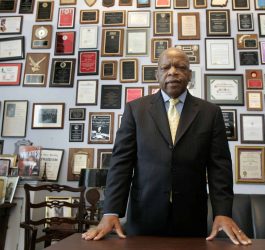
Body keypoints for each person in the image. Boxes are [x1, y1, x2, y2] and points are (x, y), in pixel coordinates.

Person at [82, 48, 251, 245]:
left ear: (189, 74)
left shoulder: (210, 113)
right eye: (165, 67)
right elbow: (121, 164)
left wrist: (222, 212)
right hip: (144, 216)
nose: (172, 72)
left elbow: (219, 167)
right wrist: (111, 211)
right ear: (157, 74)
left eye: (180, 67)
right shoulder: (136, 110)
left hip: (191, 218)